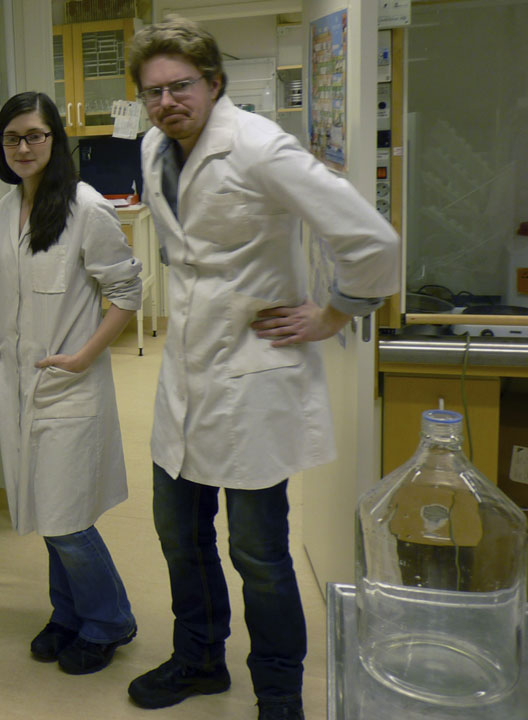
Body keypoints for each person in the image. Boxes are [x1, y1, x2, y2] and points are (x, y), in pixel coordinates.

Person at [124, 18, 400, 720]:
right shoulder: (152, 147)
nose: (166, 102)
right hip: (183, 376)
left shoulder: (258, 147)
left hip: (252, 378)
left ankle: (278, 692)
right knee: (179, 538)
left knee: (258, 553)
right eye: (153, 91)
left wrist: (335, 313)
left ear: (214, 83)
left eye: (180, 86)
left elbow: (370, 239)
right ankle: (199, 660)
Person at [0, 91, 143, 676]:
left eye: (35, 135)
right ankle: (68, 613)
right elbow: (15, 287)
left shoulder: (85, 207)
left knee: (66, 517)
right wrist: (2, 323)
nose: (24, 147)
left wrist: (82, 358)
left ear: (55, 139)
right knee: (46, 505)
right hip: (21, 379)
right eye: (12, 138)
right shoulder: (6, 208)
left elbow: (127, 293)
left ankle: (109, 620)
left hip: (67, 382)